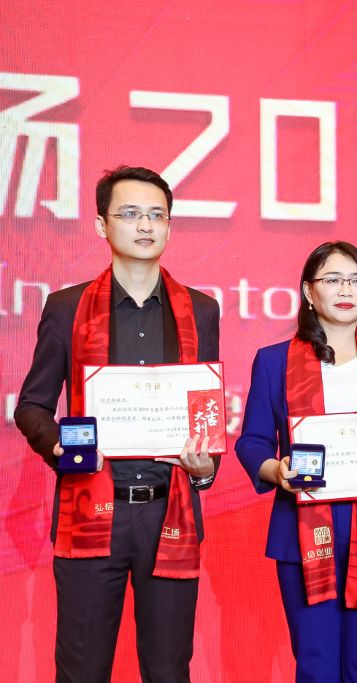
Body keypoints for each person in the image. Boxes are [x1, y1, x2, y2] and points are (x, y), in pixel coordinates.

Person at [15, 165, 221, 682]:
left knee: (169, 669)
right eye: (130, 214)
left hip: (169, 511)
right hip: (91, 508)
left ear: (169, 225)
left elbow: (204, 410)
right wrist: (60, 446)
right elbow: (32, 406)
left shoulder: (201, 310)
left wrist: (204, 469)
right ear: (101, 225)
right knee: (82, 669)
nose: (145, 225)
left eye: (157, 215)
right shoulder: (67, 307)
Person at [235, 241, 357, 683]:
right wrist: (276, 470)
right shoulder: (274, 360)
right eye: (333, 279)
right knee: (316, 665)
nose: (346, 290)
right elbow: (253, 441)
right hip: (303, 527)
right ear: (308, 291)